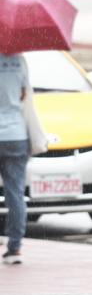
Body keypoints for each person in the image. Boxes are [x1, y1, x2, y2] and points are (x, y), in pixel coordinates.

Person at [0, 52, 29, 266]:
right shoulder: (20, 60)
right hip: (17, 135)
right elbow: (23, 94)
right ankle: (15, 247)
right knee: (15, 193)